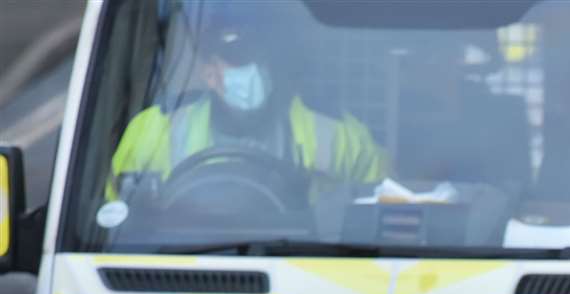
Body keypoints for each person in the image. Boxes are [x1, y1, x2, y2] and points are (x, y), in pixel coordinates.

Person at [107, 5, 386, 199]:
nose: (254, 67)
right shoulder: (154, 131)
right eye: (238, 57)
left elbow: (384, 203)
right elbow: (117, 213)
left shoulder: (337, 134)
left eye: (260, 55)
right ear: (210, 74)